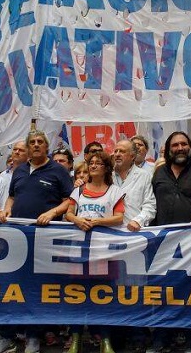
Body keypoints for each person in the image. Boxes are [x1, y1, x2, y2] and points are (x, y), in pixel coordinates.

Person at [0, 130, 74, 353]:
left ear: (46, 147)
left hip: (44, 239)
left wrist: (52, 212)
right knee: (11, 288)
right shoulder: (19, 170)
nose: (36, 145)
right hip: (16, 238)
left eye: (40, 142)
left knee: (36, 288)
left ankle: (33, 337)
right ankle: (6, 336)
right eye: (32, 142)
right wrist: (5, 211)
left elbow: (70, 201)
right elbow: (11, 197)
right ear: (27, 148)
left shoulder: (58, 171)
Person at [149, 131, 191, 353]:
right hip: (163, 241)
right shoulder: (159, 172)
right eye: (175, 145)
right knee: (163, 290)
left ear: (190, 146)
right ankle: (161, 337)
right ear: (168, 149)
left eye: (184, 144)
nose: (180, 148)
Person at [64, 151, 124, 353]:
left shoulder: (115, 191)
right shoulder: (78, 191)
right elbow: (68, 213)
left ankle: (105, 339)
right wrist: (77, 220)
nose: (94, 166)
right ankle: (76, 337)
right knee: (76, 295)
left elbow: (119, 218)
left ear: (107, 168)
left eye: (99, 163)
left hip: (104, 250)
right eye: (91, 163)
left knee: (103, 295)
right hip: (79, 249)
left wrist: (97, 221)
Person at [112, 139, 155, 231]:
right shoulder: (107, 176)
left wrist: (138, 221)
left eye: (122, 151)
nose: (117, 154)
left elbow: (150, 205)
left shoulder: (144, 176)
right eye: (116, 151)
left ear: (132, 156)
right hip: (109, 232)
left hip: (134, 233)